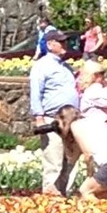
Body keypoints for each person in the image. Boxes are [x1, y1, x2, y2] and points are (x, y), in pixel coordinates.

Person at [29, 29, 80, 196]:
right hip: (53, 121)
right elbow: (36, 92)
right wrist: (39, 118)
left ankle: (65, 194)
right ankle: (51, 198)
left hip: (72, 121)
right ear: (50, 45)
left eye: (65, 41)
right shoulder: (42, 66)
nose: (65, 44)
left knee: (70, 160)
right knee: (54, 160)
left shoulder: (66, 67)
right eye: (61, 42)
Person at [55, 106, 107, 201]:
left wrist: (89, 175)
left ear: (64, 119)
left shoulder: (75, 125)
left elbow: (88, 154)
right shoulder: (92, 121)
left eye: (57, 123)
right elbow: (73, 159)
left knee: (85, 191)